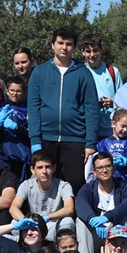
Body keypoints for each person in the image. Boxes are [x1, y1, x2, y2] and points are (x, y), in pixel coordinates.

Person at [26, 26, 102, 192]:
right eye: (60, 43)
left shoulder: (84, 73)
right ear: (53, 45)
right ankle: (47, 217)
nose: (64, 47)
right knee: (46, 186)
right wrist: (35, 141)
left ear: (74, 48)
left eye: (68, 44)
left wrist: (90, 143)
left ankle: (73, 217)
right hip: (46, 139)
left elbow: (91, 109)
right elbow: (33, 109)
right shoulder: (39, 72)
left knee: (75, 185)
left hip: (75, 140)